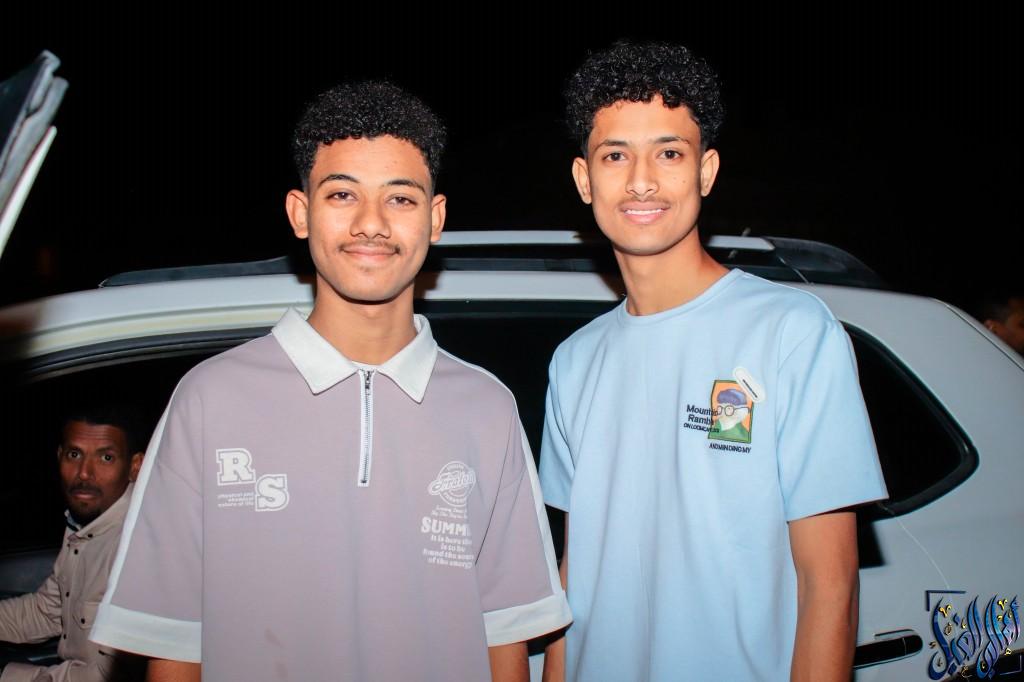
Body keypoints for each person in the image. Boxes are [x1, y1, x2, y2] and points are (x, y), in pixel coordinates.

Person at [90, 80, 570, 681]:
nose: (371, 224)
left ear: (435, 219)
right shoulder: (209, 399)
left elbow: (506, 637)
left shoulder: (487, 408)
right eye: (343, 194)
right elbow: (174, 643)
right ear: (301, 213)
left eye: (400, 198)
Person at [539, 41, 888, 681]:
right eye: (615, 155)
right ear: (584, 179)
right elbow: (573, 574)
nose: (641, 180)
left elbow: (830, 586)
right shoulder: (573, 362)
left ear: (706, 170)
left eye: (669, 153)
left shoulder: (789, 331)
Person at [0, 408, 144, 682]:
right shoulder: (86, 524)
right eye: (74, 455)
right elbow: (46, 612)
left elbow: (110, 676)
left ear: (135, 466)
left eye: (105, 457)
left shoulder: (139, 547)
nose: (84, 474)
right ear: (59, 456)